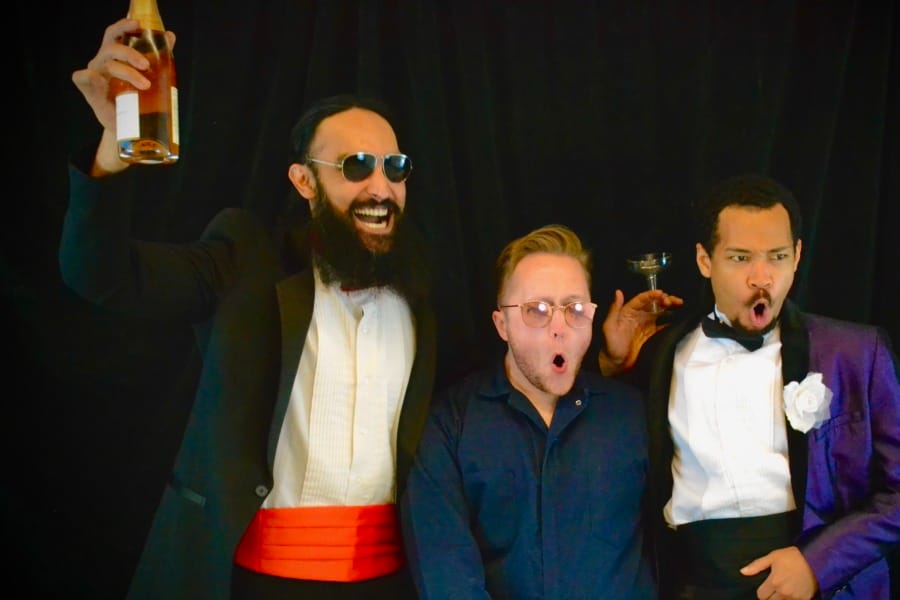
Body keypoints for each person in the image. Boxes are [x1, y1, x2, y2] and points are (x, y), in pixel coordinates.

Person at [60, 17, 437, 599]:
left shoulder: (421, 295)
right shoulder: (245, 259)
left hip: (387, 584)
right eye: (356, 166)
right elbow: (100, 275)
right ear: (304, 181)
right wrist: (115, 147)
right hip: (247, 579)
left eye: (396, 167)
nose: (381, 187)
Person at [599, 174, 900, 599]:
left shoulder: (855, 353)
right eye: (740, 258)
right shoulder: (662, 354)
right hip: (695, 585)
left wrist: (817, 564)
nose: (761, 277)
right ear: (705, 260)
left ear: (797, 256)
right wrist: (612, 365)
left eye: (777, 257)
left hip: (821, 587)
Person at [399, 224, 657, 599]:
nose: (559, 328)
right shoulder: (450, 425)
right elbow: (446, 574)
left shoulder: (631, 415)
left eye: (575, 309)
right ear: (502, 325)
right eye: (537, 310)